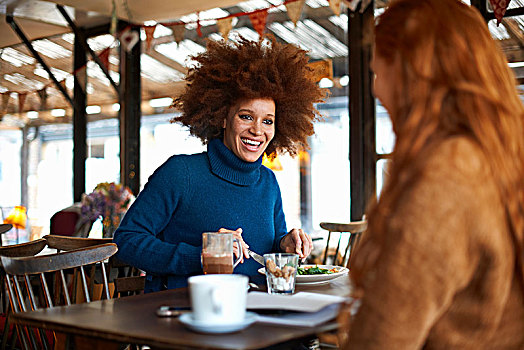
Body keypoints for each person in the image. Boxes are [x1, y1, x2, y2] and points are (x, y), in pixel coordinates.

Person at [339, 0, 524, 348]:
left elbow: (382, 337)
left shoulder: (448, 174)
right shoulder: (502, 153)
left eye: (380, 73)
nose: (376, 90)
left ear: (416, 72)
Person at [113, 35, 326, 292]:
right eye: (246, 116)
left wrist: (285, 244)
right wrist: (202, 255)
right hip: (187, 314)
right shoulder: (181, 173)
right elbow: (127, 241)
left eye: (267, 121)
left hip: (259, 311)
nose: (257, 131)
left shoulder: (268, 181)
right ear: (223, 118)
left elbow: (272, 246)